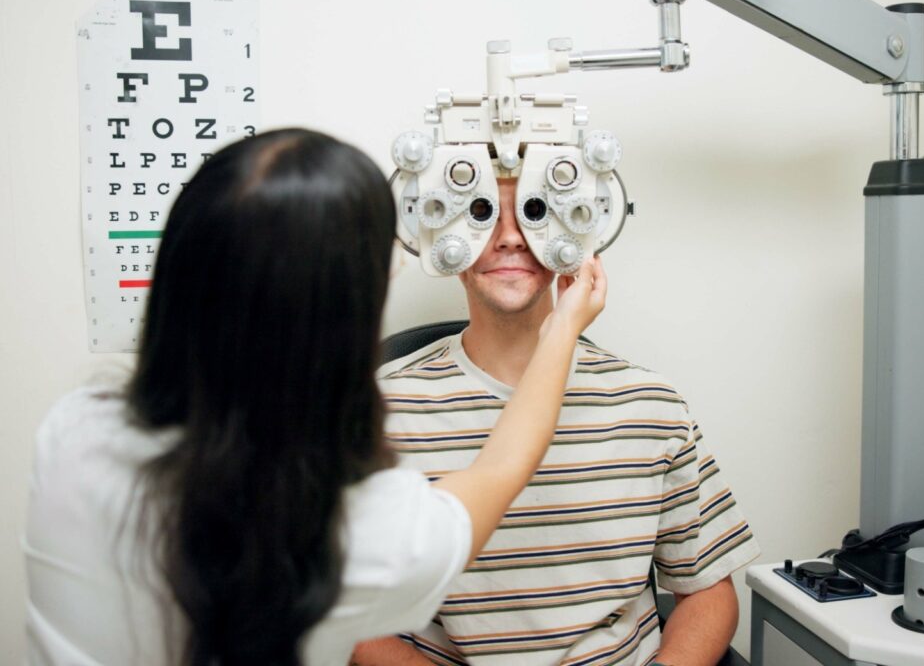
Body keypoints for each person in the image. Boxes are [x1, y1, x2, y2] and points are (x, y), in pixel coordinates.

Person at [23, 129, 606, 666]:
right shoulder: (358, 530)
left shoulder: (73, 432)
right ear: (339, 324)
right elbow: (502, 468)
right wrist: (563, 330)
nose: (507, 237)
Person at [353, 177, 760, 666]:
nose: (510, 236)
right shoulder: (380, 407)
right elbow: (350, 614)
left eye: (535, 212)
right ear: (441, 237)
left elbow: (707, 591)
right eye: (481, 210)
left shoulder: (651, 403)